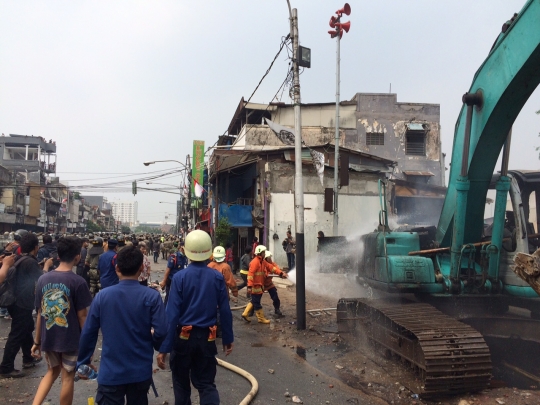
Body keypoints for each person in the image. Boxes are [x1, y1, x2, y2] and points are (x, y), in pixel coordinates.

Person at [78, 245, 167, 405]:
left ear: (117, 268)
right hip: (140, 372)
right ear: (141, 268)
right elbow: (161, 331)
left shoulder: (102, 297)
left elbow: (88, 333)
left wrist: (83, 361)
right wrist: (154, 342)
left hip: (111, 374)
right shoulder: (152, 297)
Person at [157, 230, 233, 405]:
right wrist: (228, 338)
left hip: (183, 339)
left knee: (181, 384)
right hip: (207, 338)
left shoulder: (180, 277)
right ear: (209, 251)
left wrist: (164, 347)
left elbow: (172, 314)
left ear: (187, 250)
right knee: (206, 384)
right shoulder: (216, 277)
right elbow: (225, 310)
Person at [31, 237, 93, 405]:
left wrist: (37, 341)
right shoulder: (78, 282)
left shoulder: (43, 280)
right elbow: (82, 317)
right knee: (67, 377)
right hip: (70, 339)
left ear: (58, 255)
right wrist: (88, 344)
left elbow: (40, 313)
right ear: (77, 257)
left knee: (52, 372)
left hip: (49, 336)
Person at [0, 233, 53, 378]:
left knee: (26, 328)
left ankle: (28, 358)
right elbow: (42, 278)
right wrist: (47, 266)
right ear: (36, 247)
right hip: (21, 303)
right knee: (17, 334)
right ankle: (6, 367)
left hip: (15, 301)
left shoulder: (18, 258)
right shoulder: (29, 262)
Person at [242, 245, 273, 324]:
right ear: (260, 253)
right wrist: (249, 286)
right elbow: (250, 275)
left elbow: (271, 267)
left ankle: (245, 313)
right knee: (257, 303)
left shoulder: (262, 261)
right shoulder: (255, 262)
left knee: (254, 301)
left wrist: (280, 273)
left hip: (259, 286)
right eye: (263, 252)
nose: (264, 253)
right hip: (255, 286)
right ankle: (261, 318)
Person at [263, 251, 288, 317]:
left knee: (275, 297)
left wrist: (282, 273)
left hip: (269, 284)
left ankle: (277, 310)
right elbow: (266, 274)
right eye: (269, 258)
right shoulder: (262, 265)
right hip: (261, 284)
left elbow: (276, 269)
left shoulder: (271, 264)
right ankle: (250, 311)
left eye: (270, 257)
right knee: (256, 299)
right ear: (265, 258)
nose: (270, 259)